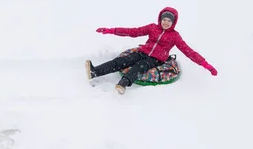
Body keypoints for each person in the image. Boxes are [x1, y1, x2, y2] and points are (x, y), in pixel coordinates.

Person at [85, 7, 217, 94]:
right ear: (160, 19)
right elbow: (133, 32)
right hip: (143, 52)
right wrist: (111, 30)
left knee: (138, 67)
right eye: (164, 19)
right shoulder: (152, 27)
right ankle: (95, 71)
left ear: (173, 22)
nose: (165, 22)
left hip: (155, 59)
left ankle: (123, 84)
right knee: (122, 61)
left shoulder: (175, 36)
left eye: (168, 21)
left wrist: (206, 65)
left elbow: (189, 51)